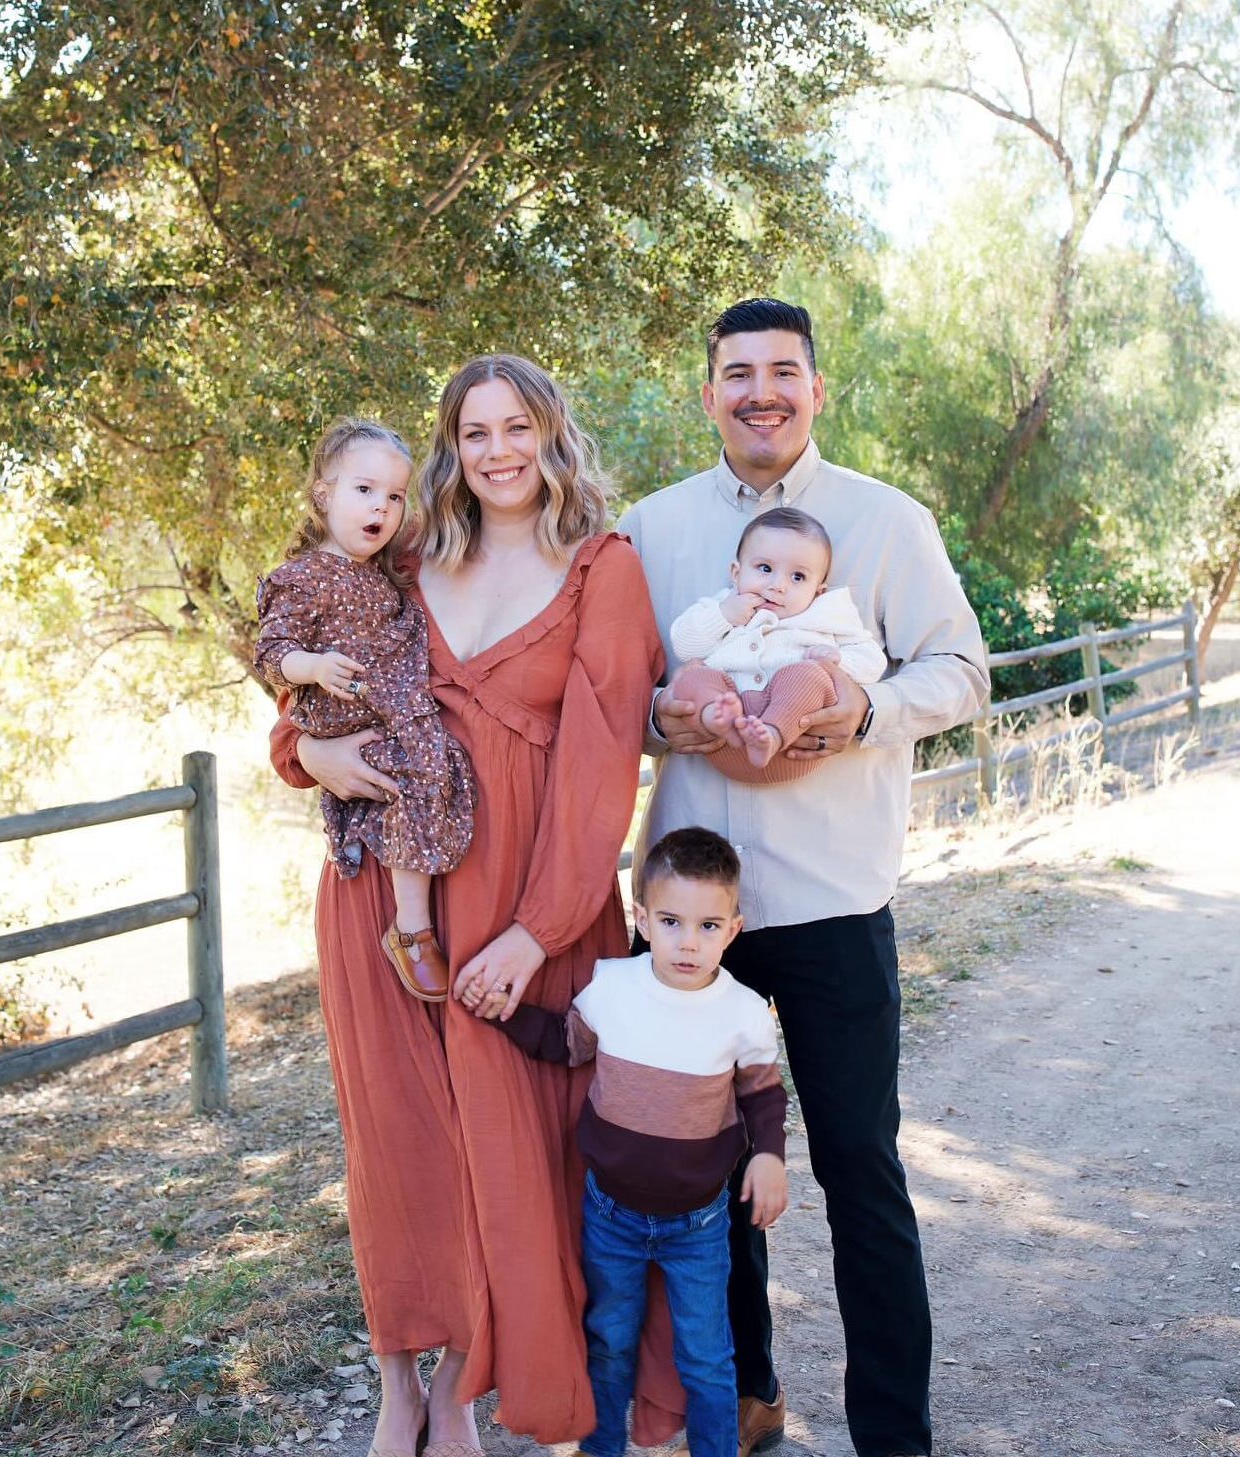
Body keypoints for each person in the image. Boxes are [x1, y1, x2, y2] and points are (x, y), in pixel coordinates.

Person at [268, 354, 664, 1457]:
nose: (497, 450)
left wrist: (539, 930)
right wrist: (303, 747)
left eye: (516, 426)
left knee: (514, 1151)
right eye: (474, 430)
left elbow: (601, 770)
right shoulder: (406, 557)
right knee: (398, 1145)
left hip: (528, 908)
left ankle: (467, 1389)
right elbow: (312, 700)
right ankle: (401, 1381)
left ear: (551, 432)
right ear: (450, 444)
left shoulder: (602, 565)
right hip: (379, 898)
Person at [618, 298, 989, 1457]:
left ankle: (893, 1432)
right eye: (738, 372)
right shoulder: (650, 526)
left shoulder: (887, 521)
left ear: (816, 388)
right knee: (699, 1179)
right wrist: (662, 716)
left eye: (783, 370)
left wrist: (867, 708)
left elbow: (961, 670)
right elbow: (615, 702)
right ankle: (743, 1406)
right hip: (690, 925)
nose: (760, 390)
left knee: (860, 1171)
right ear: (709, 391)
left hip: (834, 904)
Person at [482, 827, 789, 1457]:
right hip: (609, 1214)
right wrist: (503, 1010)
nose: (687, 941)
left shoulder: (744, 1012)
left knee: (706, 1358)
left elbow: (762, 1095)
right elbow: (566, 1045)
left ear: (732, 930)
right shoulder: (614, 987)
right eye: (672, 920)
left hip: (699, 1224)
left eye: (708, 926)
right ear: (642, 918)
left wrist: (768, 1157)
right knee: (610, 1344)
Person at [255, 418, 475, 999]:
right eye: (364, 490)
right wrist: (314, 666)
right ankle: (412, 929)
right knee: (413, 770)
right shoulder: (301, 579)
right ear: (323, 494)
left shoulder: (380, 572)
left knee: (431, 766)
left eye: (395, 496)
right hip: (345, 704)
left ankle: (410, 913)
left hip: (386, 706)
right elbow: (272, 653)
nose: (381, 506)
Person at [668, 506, 885, 777]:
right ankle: (719, 717)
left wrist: (837, 660)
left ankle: (770, 733)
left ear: (817, 591)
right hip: (721, 744)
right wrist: (723, 615)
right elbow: (684, 645)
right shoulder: (722, 607)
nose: (778, 585)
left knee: (808, 674)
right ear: (736, 572)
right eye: (765, 568)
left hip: (793, 742)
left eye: (798, 577)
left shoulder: (825, 615)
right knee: (693, 676)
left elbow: (873, 660)